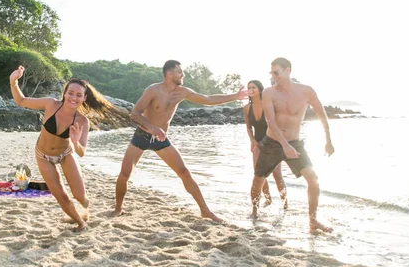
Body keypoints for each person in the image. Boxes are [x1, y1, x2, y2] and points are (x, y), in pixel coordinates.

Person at [114, 60, 249, 222]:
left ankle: (205, 211)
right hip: (142, 136)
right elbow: (135, 113)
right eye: (180, 72)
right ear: (169, 74)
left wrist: (235, 96)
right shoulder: (153, 90)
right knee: (124, 174)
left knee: (184, 172)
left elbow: (208, 99)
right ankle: (118, 208)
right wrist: (152, 128)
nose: (182, 75)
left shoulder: (182, 92)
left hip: (161, 139)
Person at [9, 66, 131, 232]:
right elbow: (21, 101)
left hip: (66, 154)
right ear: (65, 93)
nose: (74, 97)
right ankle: (80, 222)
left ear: (84, 98)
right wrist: (13, 81)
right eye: (71, 93)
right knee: (61, 196)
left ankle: (86, 207)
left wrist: (75, 141)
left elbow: (81, 152)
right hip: (43, 156)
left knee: (80, 196)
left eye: (78, 95)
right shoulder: (50, 104)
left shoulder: (82, 121)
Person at [250, 57, 334, 233]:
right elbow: (271, 121)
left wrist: (328, 140)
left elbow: (321, 115)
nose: (273, 76)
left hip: (295, 143)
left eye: (276, 72)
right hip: (272, 143)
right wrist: (284, 145)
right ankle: (255, 211)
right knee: (259, 179)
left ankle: (313, 220)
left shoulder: (306, 91)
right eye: (271, 73)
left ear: (288, 71)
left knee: (313, 179)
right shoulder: (269, 93)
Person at [243, 80, 287, 213]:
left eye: (253, 87)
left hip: (272, 142)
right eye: (249, 88)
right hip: (257, 143)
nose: (251, 90)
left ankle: (285, 204)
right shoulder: (246, 108)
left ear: (260, 90)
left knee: (277, 174)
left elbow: (277, 124)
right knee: (259, 174)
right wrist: (252, 141)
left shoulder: (268, 104)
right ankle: (268, 200)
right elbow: (249, 127)